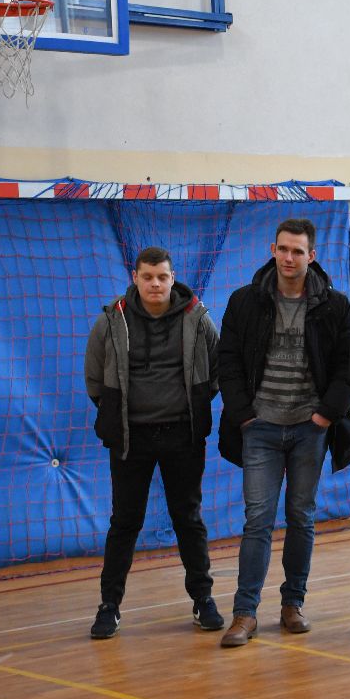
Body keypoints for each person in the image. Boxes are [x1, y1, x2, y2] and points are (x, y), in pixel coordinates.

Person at [216, 218, 350, 648]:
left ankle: (293, 604)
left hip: (308, 429)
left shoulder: (334, 305)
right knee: (257, 519)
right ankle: (244, 613)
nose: (289, 258)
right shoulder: (245, 301)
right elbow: (227, 360)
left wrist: (325, 416)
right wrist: (243, 415)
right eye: (283, 249)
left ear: (311, 255)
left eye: (298, 251)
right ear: (272, 250)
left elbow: (348, 365)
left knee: (301, 516)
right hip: (259, 427)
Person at [84, 246, 223, 639]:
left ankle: (203, 600)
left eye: (162, 277)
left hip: (182, 435)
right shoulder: (112, 319)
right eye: (147, 277)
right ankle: (109, 606)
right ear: (135, 278)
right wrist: (117, 415)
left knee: (188, 518)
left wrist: (190, 408)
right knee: (124, 521)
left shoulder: (198, 318)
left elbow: (216, 372)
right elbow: (94, 379)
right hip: (131, 438)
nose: (155, 284)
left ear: (172, 278)